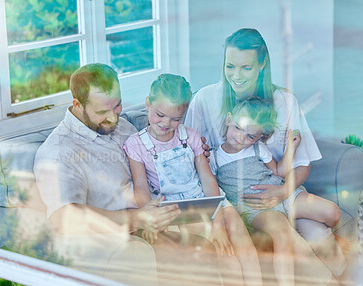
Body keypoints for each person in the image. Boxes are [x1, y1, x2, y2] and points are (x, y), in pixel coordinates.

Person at [34, 64, 221, 285]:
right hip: (114, 237)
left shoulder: (120, 126)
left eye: (117, 106)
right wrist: (137, 218)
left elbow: (156, 142)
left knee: (207, 249)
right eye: (103, 112)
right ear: (77, 105)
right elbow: (63, 218)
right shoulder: (59, 152)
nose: (113, 118)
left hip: (154, 218)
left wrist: (193, 150)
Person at [184, 28, 347, 278]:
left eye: (246, 68)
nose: (236, 76)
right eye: (230, 66)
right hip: (246, 201)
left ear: (262, 64)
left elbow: (302, 165)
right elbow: (191, 160)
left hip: (283, 190)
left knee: (332, 250)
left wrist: (283, 191)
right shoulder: (205, 100)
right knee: (302, 250)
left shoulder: (284, 101)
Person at [123, 73, 262, 286]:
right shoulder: (136, 144)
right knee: (226, 255)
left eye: (176, 118)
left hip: (211, 200)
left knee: (243, 243)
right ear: (147, 104)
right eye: (160, 114)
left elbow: (207, 179)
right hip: (181, 209)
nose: (166, 123)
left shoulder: (191, 136)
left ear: (184, 114)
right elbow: (141, 186)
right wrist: (148, 217)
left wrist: (217, 221)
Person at [210, 97, 347, 286]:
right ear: (228, 119)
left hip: (281, 191)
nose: (241, 138)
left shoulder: (259, 149)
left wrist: (292, 147)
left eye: (250, 136)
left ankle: (327, 241)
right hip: (257, 207)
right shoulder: (214, 157)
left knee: (332, 211)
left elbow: (279, 172)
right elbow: (210, 189)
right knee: (282, 233)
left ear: (259, 137)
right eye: (238, 128)